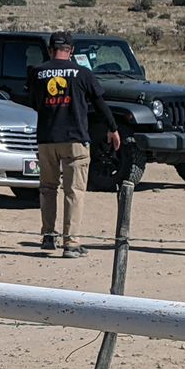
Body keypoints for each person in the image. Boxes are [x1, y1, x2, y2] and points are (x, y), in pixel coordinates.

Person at [28, 31, 121, 258]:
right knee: (74, 191)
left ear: (50, 50)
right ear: (71, 51)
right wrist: (112, 128)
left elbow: (33, 103)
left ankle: (49, 236)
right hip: (75, 139)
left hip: (47, 139)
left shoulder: (37, 73)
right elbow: (99, 103)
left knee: (48, 189)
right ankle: (71, 243)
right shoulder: (82, 73)